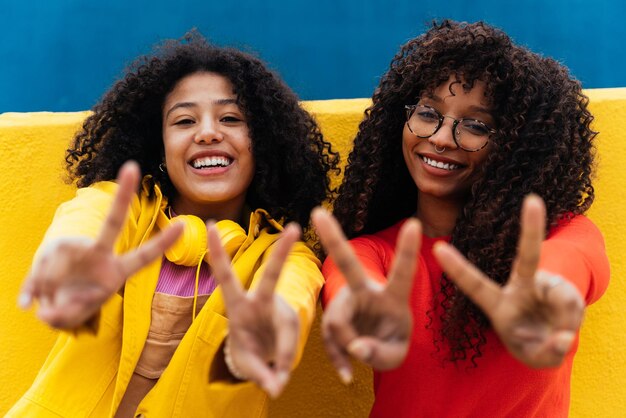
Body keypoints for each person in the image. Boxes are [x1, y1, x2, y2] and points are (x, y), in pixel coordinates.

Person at [10, 32, 338, 417]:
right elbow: (87, 220)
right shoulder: (125, 207)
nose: (208, 132)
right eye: (184, 120)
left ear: (263, 144)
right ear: (160, 147)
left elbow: (291, 297)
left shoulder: (284, 256)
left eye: (231, 118)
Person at [312, 20, 610, 417]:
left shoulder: (564, 235)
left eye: (475, 125)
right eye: (428, 113)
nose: (440, 137)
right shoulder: (371, 252)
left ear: (518, 145)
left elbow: (566, 269)